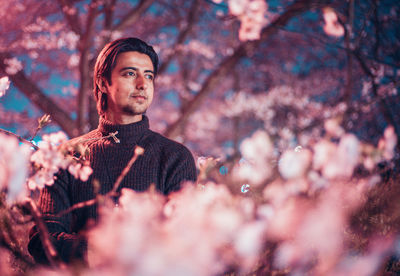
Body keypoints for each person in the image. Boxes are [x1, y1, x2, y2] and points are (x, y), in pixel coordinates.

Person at [28, 37, 197, 264]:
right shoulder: (66, 156)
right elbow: (43, 240)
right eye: (129, 73)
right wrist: (105, 250)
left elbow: (184, 243)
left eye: (148, 75)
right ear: (102, 82)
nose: (142, 84)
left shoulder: (175, 158)